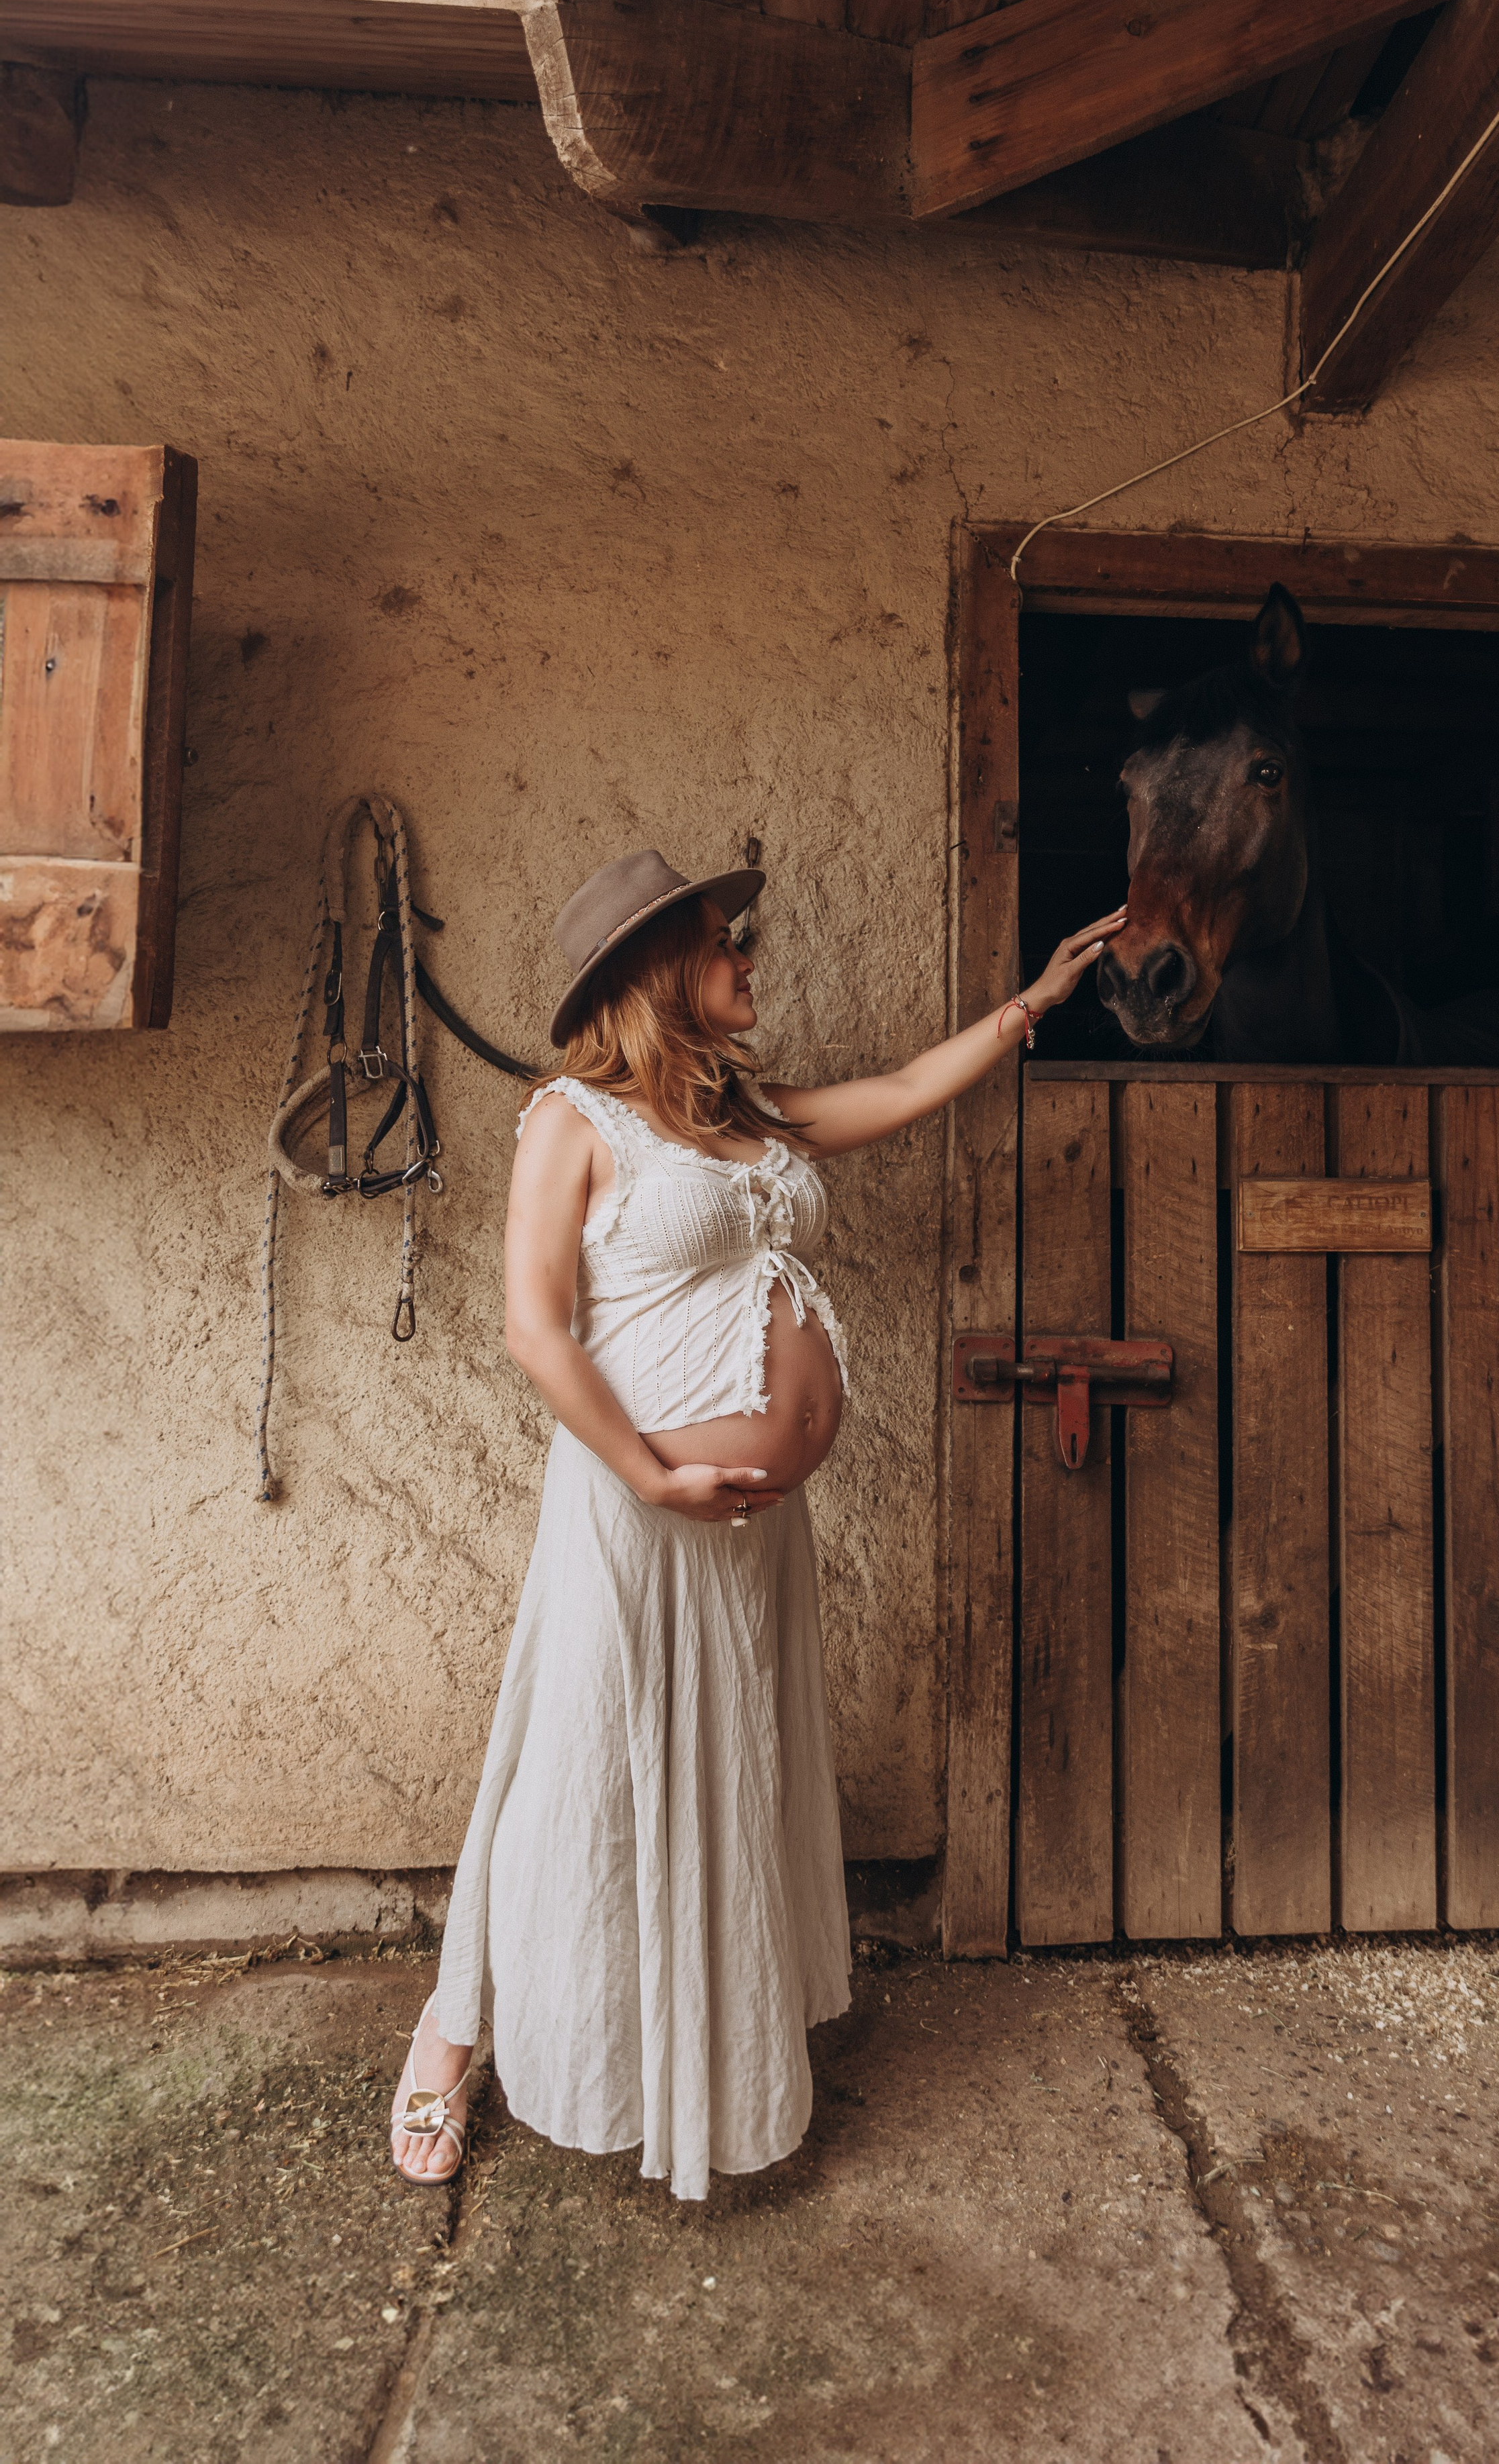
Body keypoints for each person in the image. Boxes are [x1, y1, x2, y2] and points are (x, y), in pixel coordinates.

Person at [389, 848, 1124, 2199]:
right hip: (632, 1511)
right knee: (577, 1775)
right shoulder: (572, 1121)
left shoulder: (746, 1113)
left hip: (746, 1532)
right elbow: (532, 1329)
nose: (750, 959)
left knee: (720, 1772)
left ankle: (705, 2053)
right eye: (729, 942)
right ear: (658, 969)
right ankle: (453, 2030)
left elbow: (902, 1091)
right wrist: (647, 1475)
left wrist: (1029, 1005)